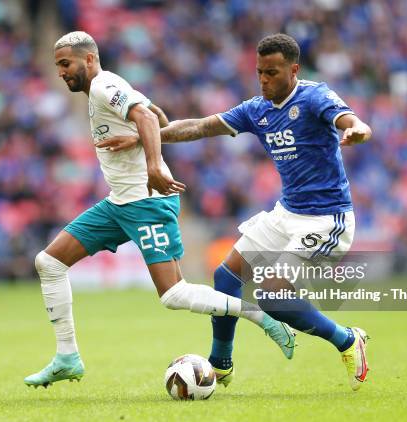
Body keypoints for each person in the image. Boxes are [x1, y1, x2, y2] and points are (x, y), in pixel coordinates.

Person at [97, 33, 373, 391]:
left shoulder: (314, 96)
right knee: (226, 276)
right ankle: (221, 363)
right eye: (259, 72)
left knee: (272, 295)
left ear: (294, 69)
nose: (263, 80)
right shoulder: (256, 109)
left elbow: (351, 120)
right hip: (286, 213)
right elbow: (197, 126)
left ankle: (348, 340)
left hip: (327, 218)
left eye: (272, 73)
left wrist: (357, 130)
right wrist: (141, 138)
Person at [23, 31, 295, 389]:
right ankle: (67, 357)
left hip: (146, 203)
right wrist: (146, 142)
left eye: (65, 63)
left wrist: (154, 165)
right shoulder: (101, 92)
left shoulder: (105, 85)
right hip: (119, 202)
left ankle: (264, 316)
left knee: (173, 294)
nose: (60, 72)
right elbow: (156, 115)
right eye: (57, 65)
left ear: (89, 59)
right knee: (50, 262)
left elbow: (148, 121)